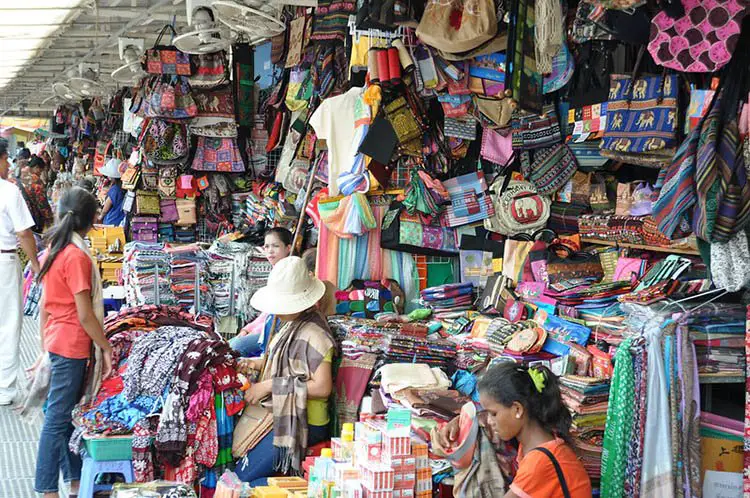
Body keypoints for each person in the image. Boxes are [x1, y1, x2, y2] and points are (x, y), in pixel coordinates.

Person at [34, 187, 113, 498]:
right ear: (92, 220)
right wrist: (105, 345)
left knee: (63, 416)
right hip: (71, 346)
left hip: (56, 339)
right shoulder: (76, 257)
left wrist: (43, 347)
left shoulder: (53, 249)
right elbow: (85, 315)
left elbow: (44, 306)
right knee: (56, 420)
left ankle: (76, 482)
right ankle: (46, 489)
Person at [236, 257, 335, 486]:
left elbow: (323, 388)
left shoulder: (316, 335)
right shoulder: (289, 324)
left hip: (305, 421)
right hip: (282, 413)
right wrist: (255, 364)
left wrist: (269, 385)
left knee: (243, 481)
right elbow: (279, 359)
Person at [436, 363, 592, 498]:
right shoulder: (543, 443)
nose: (490, 421)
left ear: (517, 409)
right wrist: (460, 421)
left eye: (494, 414)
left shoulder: (540, 461)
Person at [0, 139, 40, 406]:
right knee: (7, 324)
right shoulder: (8, 191)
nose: (8, 165)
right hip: (3, 262)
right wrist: (37, 267)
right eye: (6, 159)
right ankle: (4, 389)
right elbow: (24, 232)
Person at [229, 227, 293, 357]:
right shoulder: (275, 271)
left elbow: (275, 316)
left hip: (280, 330)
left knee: (233, 347)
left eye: (275, 246)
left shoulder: (288, 273)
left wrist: (253, 331)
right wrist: (248, 328)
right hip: (266, 327)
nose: (270, 250)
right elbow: (267, 312)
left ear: (288, 248)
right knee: (227, 346)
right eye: (266, 246)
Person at [97, 160, 126, 226]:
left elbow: (106, 208)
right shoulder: (125, 187)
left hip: (111, 221)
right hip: (121, 221)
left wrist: (101, 216)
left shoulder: (115, 189)